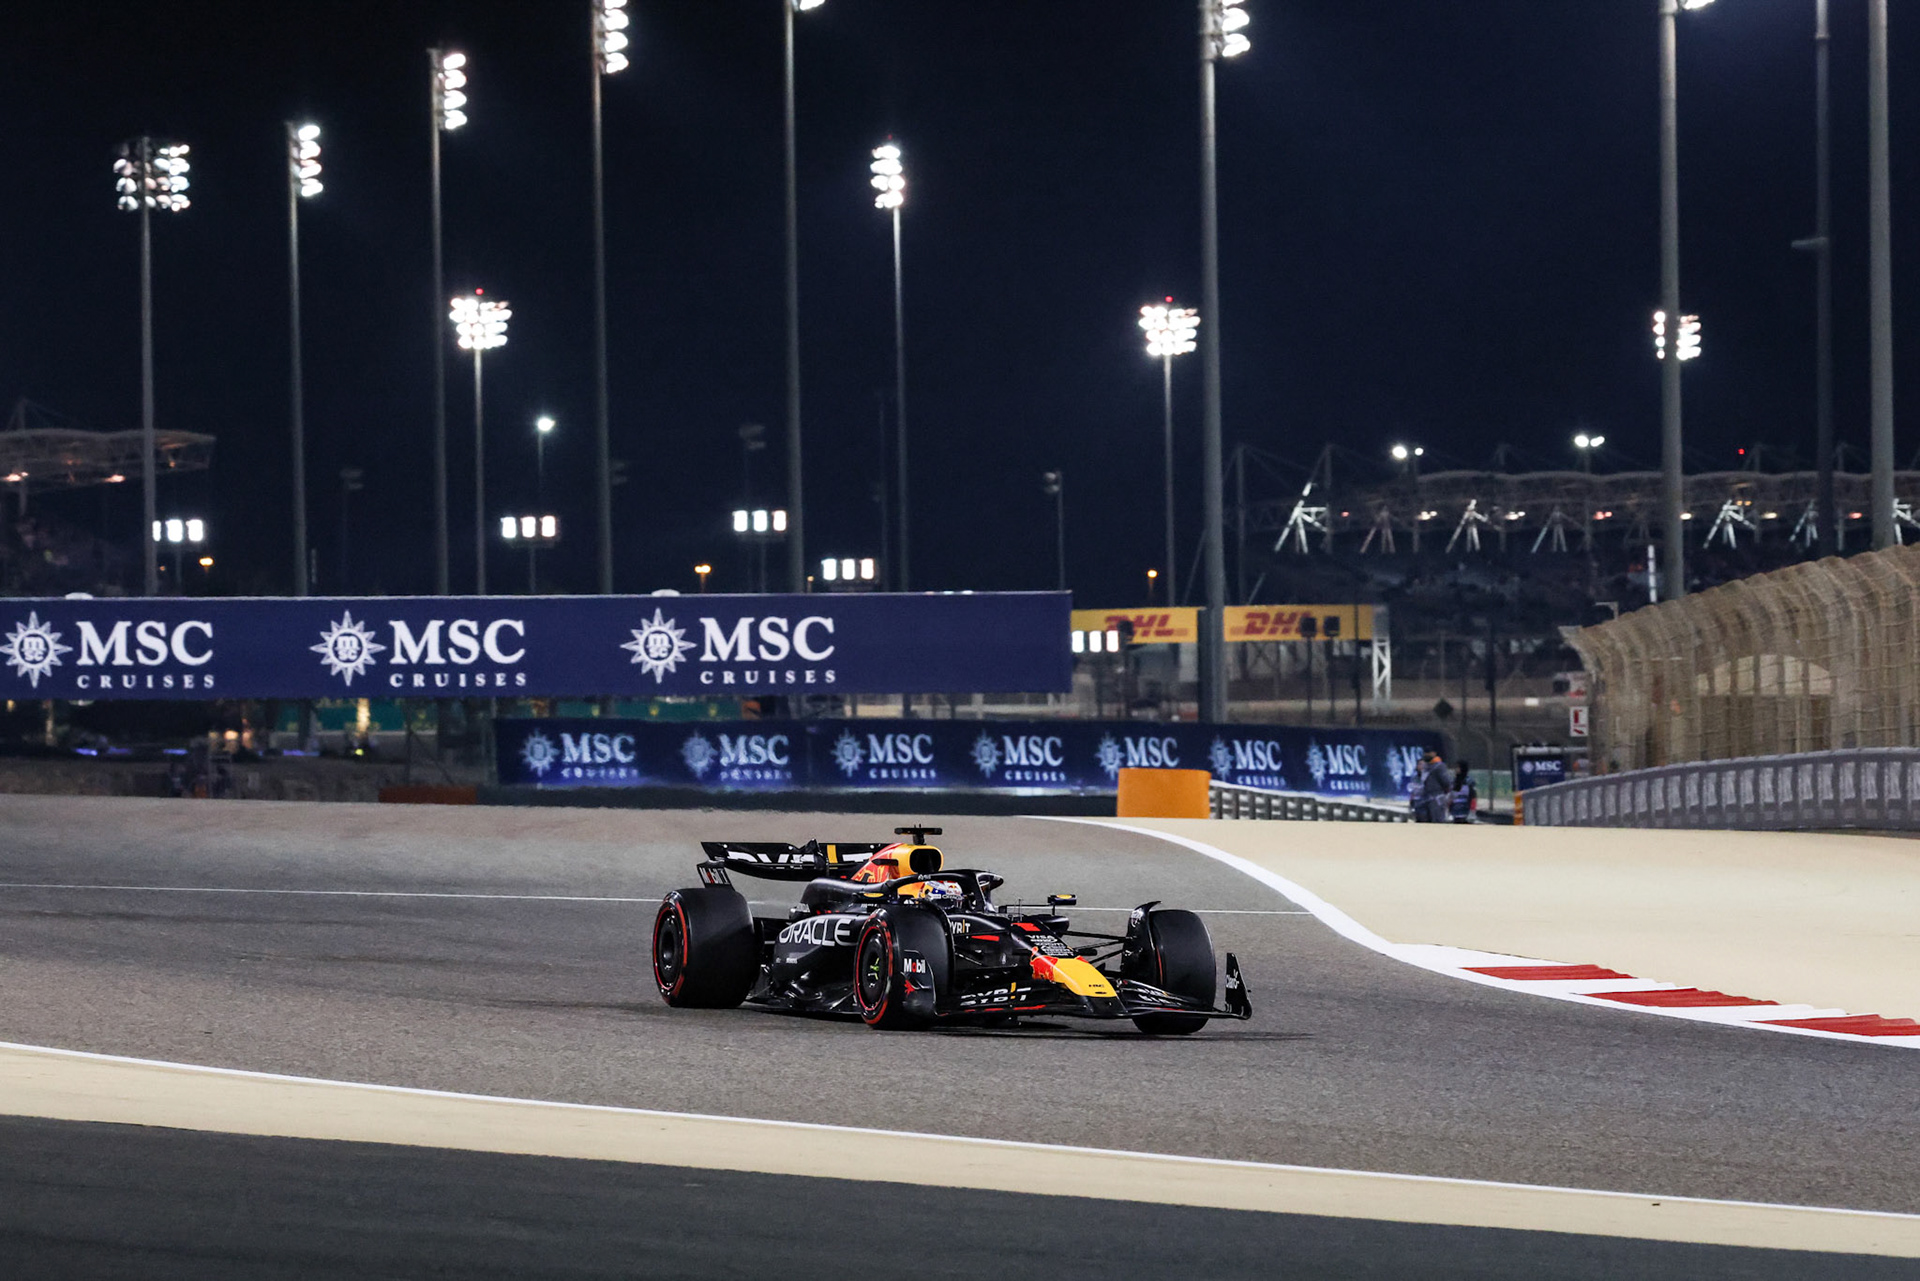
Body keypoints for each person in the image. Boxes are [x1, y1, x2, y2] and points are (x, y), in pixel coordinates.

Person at [1415, 751, 1453, 823]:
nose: (1426, 754)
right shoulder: (1426, 766)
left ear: (1434, 753)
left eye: (1428, 753)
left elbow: (1446, 782)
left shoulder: (1439, 766)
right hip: (1426, 798)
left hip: (1436, 798)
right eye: (1425, 753)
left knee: (1437, 820)